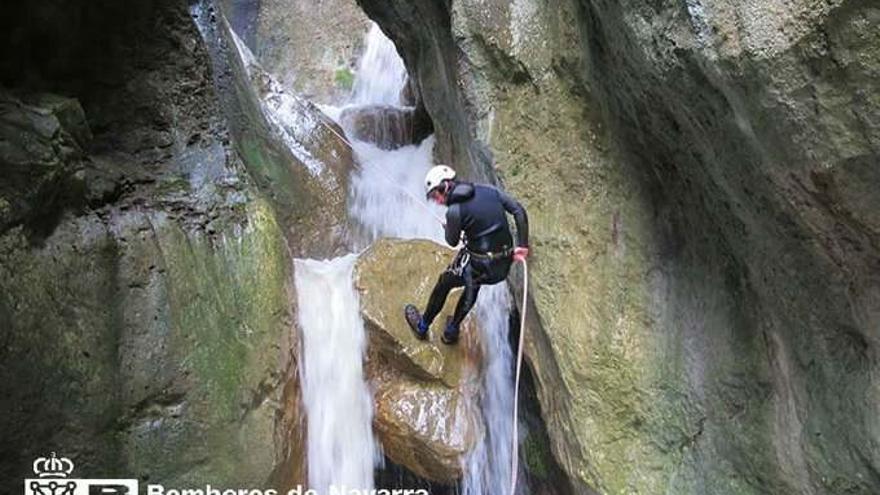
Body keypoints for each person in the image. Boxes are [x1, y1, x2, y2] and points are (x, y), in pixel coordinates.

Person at [405, 165, 529, 344]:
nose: (438, 200)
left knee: (445, 283)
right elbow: (518, 210)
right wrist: (523, 245)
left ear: (447, 186)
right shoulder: (490, 191)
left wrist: (450, 226)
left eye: (437, 194)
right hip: (503, 265)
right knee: (473, 283)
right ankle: (451, 331)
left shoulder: (455, 211)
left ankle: (422, 326)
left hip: (481, 265)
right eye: (434, 197)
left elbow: (452, 241)